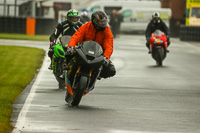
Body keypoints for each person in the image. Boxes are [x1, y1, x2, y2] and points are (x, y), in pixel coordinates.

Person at [67, 11, 116, 79]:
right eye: (100, 22)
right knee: (68, 54)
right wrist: (71, 46)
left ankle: (97, 75)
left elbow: (109, 45)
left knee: (111, 70)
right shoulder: (86, 26)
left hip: (98, 53)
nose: (103, 24)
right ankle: (66, 71)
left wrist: (106, 57)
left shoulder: (107, 31)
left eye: (104, 22)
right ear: (94, 21)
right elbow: (76, 37)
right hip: (83, 50)